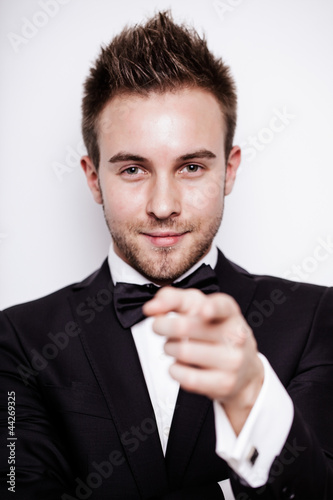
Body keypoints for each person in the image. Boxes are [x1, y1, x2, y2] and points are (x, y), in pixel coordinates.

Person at [0, 10, 332, 500]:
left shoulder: (319, 319)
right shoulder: (17, 340)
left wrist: (250, 395)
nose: (163, 206)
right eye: (133, 169)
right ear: (94, 178)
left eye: (192, 166)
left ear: (230, 170)